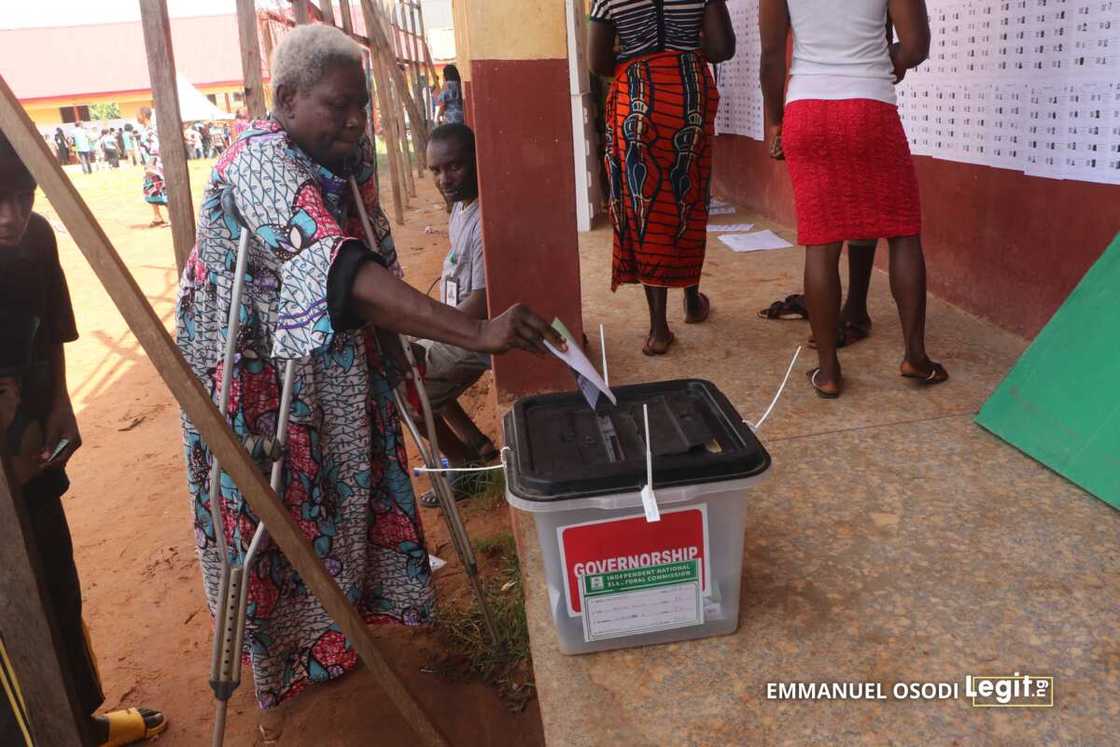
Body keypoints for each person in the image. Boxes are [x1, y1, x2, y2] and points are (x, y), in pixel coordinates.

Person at [174, 25, 562, 735]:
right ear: (287, 99)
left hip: (332, 364)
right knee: (277, 509)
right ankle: (289, 667)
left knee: (348, 486)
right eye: (339, 106)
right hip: (260, 374)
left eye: (362, 107)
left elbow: (373, 251)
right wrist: (476, 332)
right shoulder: (256, 160)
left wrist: (407, 355)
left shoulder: (347, 159)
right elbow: (342, 271)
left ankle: (347, 623)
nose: (356, 123)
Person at [0, 134, 167, 747]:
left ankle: (80, 721)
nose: (10, 216)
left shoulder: (37, 239)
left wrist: (63, 400)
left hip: (35, 454)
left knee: (55, 588)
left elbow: (52, 331)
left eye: (23, 195)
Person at [760, 0, 947, 398]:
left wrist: (776, 120)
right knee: (902, 230)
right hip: (870, 107)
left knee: (821, 242)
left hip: (806, 110)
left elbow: (772, 55)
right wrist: (886, 61)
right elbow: (915, 47)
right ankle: (915, 356)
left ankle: (828, 371)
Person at [589, 0, 736, 355]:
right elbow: (721, 48)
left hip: (636, 94)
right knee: (688, 198)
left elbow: (598, 62)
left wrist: (636, 59)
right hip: (688, 95)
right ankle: (691, 300)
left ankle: (658, 328)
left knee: (647, 206)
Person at [413, 123, 498, 507]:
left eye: (454, 167)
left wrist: (432, 327)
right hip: (458, 323)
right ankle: (474, 443)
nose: (444, 179)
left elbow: (480, 303)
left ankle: (464, 467)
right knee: (405, 353)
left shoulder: (484, 221)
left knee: (403, 386)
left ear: (478, 161)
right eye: (436, 170)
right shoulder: (461, 207)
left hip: (477, 333)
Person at [136, 108, 168, 227]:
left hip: (155, 164)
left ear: (144, 115)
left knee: (161, 188)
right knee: (150, 189)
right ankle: (157, 216)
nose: (136, 117)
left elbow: (155, 148)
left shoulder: (151, 130)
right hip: (149, 164)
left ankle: (172, 217)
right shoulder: (145, 130)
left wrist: (151, 165)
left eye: (137, 115)